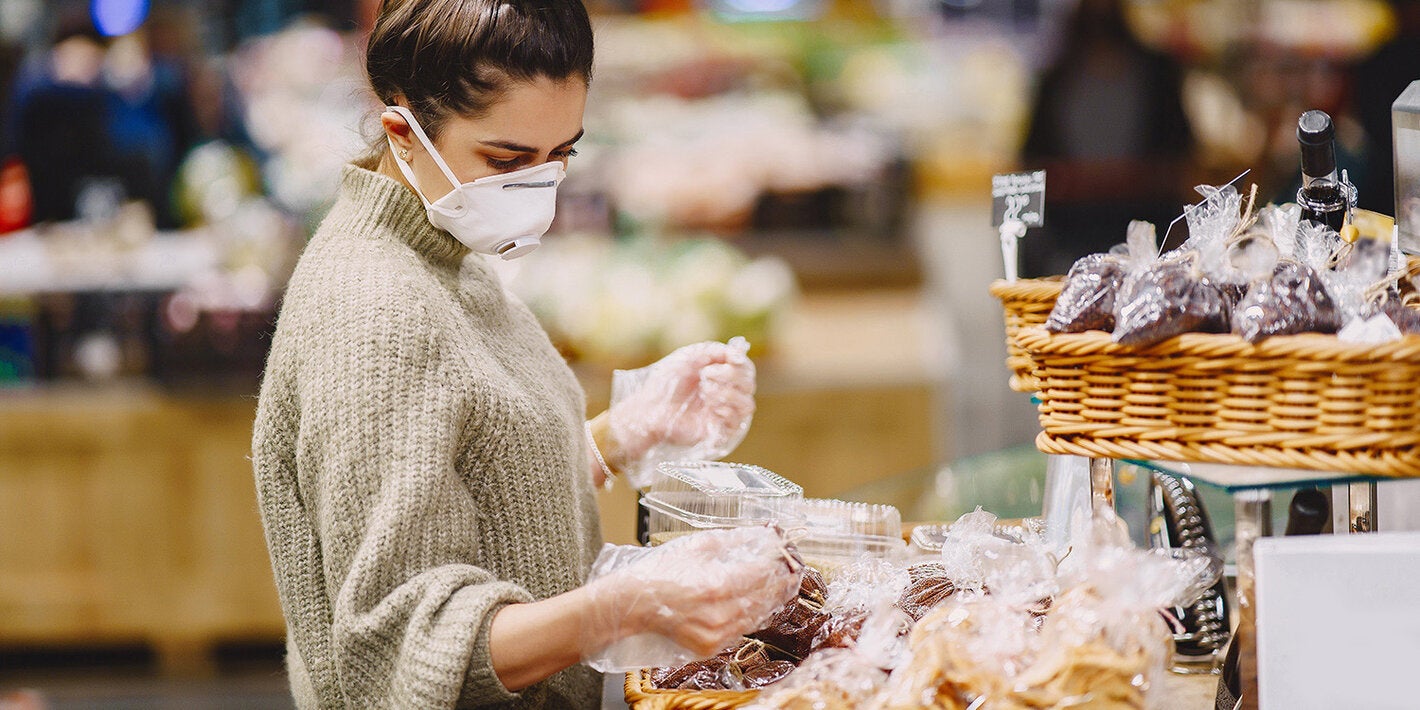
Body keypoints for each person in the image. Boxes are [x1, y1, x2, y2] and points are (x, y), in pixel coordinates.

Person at [250, 1, 800, 708]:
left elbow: (466, 472)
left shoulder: (443, 245)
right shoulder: (374, 312)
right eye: (507, 160)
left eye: (561, 154)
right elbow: (397, 648)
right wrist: (619, 608)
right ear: (403, 133)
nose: (536, 187)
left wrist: (619, 436)